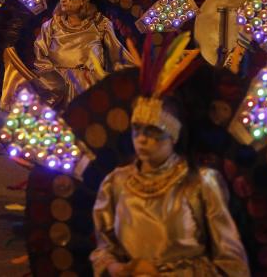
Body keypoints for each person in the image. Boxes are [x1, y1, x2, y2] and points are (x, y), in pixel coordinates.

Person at [90, 35, 249, 276]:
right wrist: (117, 268)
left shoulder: (201, 183)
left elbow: (231, 260)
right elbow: (104, 248)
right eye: (137, 130)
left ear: (173, 136)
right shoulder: (115, 183)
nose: (142, 139)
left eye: (153, 132)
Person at [34, 0, 131, 108]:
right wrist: (54, 80)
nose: (63, 0)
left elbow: (117, 54)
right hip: (57, 85)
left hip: (90, 85)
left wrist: (134, 76)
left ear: (82, 1)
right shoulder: (51, 25)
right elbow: (40, 56)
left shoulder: (100, 24)